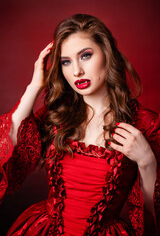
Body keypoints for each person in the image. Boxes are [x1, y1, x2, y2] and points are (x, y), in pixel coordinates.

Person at [0, 14, 159, 236]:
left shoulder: (146, 123)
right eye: (66, 61)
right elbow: (6, 151)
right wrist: (34, 86)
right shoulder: (57, 113)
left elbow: (154, 220)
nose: (76, 72)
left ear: (107, 54)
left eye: (85, 56)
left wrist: (147, 162)